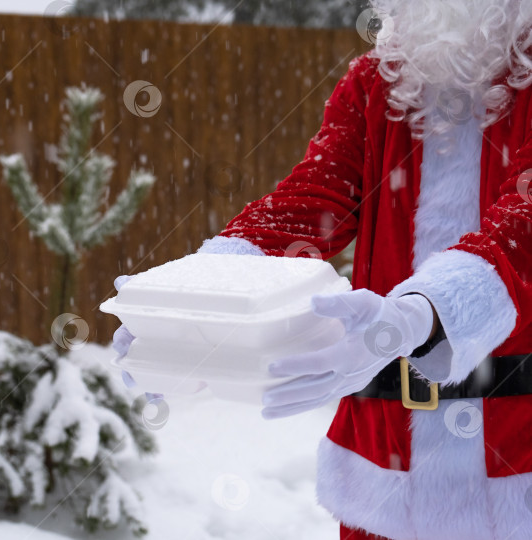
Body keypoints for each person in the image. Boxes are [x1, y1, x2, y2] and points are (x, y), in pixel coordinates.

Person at [112, 1, 532, 538]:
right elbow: (313, 200)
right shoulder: (376, 82)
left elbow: (522, 230)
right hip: (382, 471)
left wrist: (414, 318)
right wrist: (192, 308)